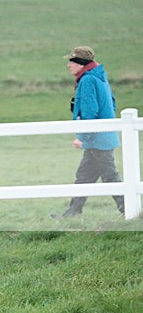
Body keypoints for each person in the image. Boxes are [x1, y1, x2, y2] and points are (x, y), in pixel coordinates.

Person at [54, 45, 124, 218]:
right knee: (84, 177)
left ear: (80, 63)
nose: (68, 65)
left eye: (71, 61)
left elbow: (89, 113)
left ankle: (130, 211)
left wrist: (83, 138)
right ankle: (72, 213)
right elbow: (112, 103)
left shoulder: (87, 80)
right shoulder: (99, 77)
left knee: (110, 178)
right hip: (101, 138)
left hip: (97, 140)